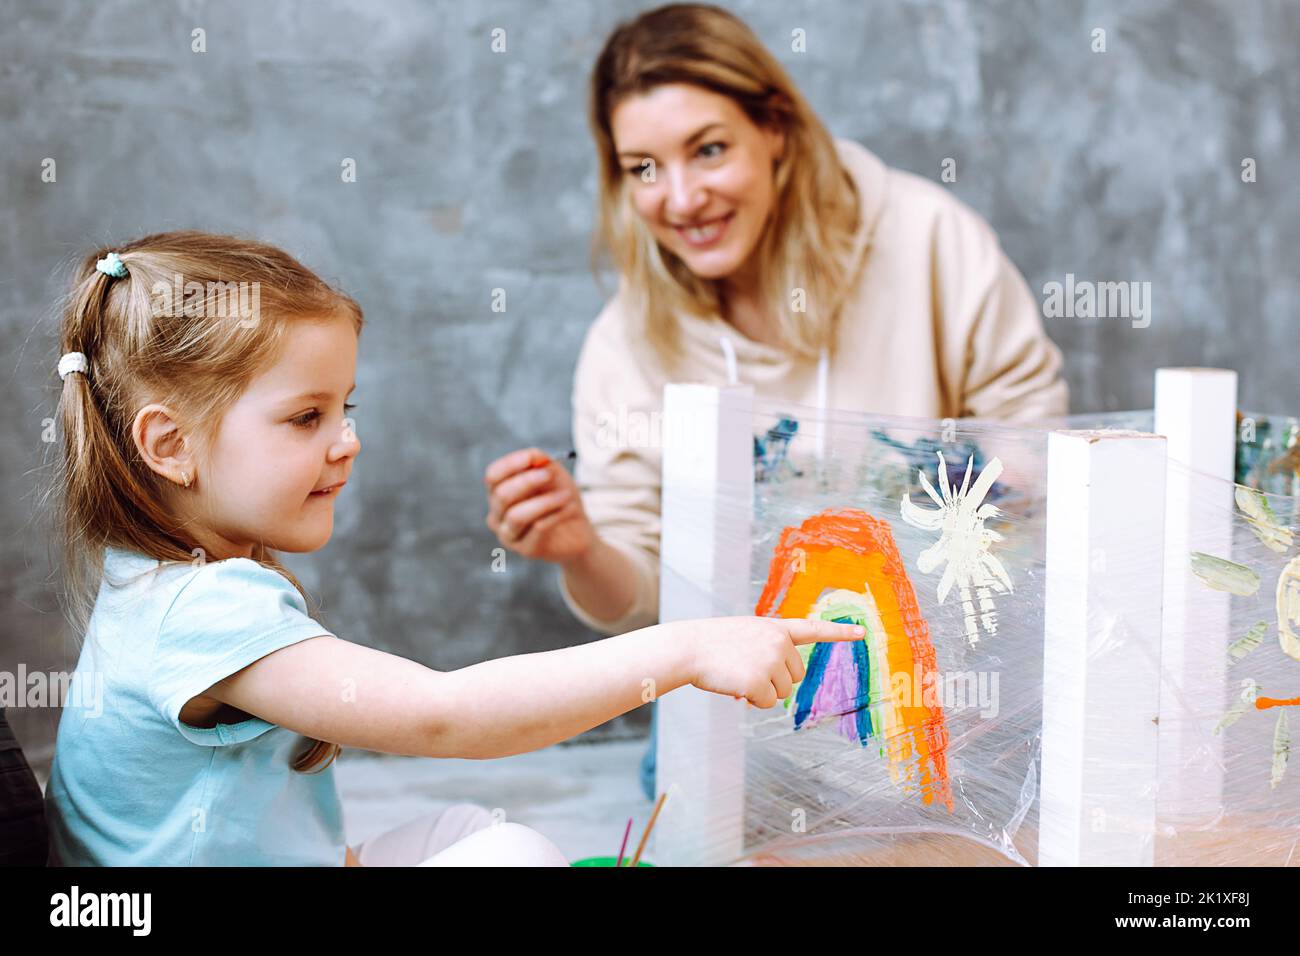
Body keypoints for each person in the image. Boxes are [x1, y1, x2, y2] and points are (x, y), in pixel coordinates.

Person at [42, 231, 863, 866]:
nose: (348, 442)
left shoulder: (156, 583)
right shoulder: (204, 608)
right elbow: (445, 716)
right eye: (307, 417)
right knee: (512, 854)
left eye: (345, 409)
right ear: (170, 445)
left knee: (472, 831)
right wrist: (685, 648)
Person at [484, 3, 1068, 799]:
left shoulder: (931, 239)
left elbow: (1032, 437)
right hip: (736, 714)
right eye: (644, 167)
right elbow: (639, 604)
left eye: (710, 149)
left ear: (777, 131)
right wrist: (581, 547)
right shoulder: (624, 345)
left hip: (947, 695)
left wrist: (981, 499)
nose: (682, 198)